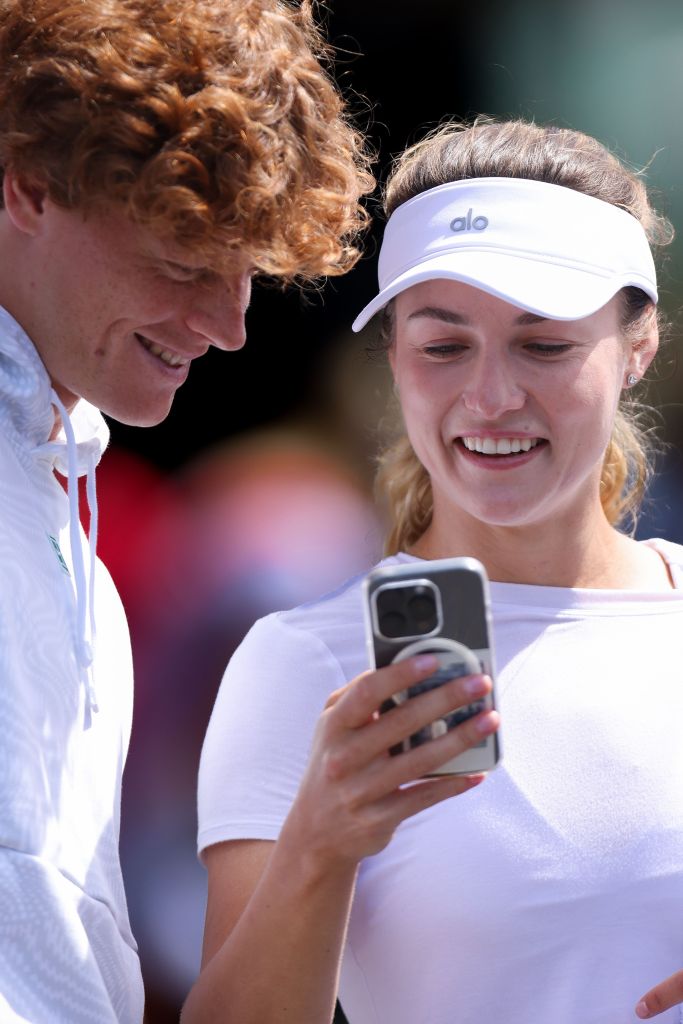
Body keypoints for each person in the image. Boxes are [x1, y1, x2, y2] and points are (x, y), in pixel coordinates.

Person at [186, 116, 683, 1024]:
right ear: (392, 360)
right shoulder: (305, 663)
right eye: (442, 346)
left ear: (636, 347)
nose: (490, 397)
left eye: (544, 345)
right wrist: (319, 845)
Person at [0, 0, 372, 1020]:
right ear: (27, 185)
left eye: (244, 272)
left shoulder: (57, 500)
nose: (228, 326)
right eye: (182, 264)